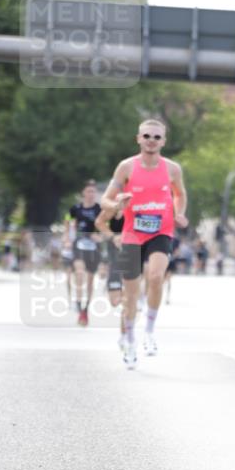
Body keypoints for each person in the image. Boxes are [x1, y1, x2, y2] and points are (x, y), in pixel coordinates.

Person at [101, 118, 188, 369]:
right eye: (147, 136)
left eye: (157, 137)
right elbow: (105, 201)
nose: (152, 141)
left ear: (164, 141)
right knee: (130, 296)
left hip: (161, 231)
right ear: (138, 138)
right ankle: (129, 339)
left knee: (156, 277)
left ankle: (149, 331)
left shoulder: (172, 169)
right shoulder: (126, 168)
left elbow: (180, 194)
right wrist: (118, 204)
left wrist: (179, 212)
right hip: (132, 234)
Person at [68, 181, 102, 326]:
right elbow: (69, 224)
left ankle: (85, 308)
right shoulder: (75, 209)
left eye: (93, 192)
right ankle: (77, 300)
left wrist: (99, 236)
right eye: (88, 191)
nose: (91, 194)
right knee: (79, 273)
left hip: (94, 248)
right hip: (79, 244)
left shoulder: (100, 209)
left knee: (90, 280)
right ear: (83, 193)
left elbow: (105, 227)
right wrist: (67, 239)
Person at [95, 202, 126, 349]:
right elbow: (99, 223)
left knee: (128, 300)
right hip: (113, 261)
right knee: (115, 302)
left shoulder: (135, 210)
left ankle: (124, 335)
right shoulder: (110, 210)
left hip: (131, 261)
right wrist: (114, 237)